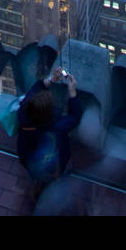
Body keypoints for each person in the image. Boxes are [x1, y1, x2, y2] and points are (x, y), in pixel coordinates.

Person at [16, 67, 81, 202]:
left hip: (27, 157)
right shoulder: (56, 130)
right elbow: (75, 116)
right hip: (53, 162)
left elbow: (36, 88)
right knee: (52, 172)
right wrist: (72, 91)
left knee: (38, 172)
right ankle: (48, 188)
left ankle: (37, 185)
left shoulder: (24, 111)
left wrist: (51, 79)